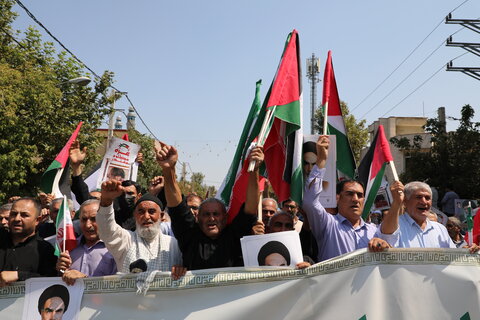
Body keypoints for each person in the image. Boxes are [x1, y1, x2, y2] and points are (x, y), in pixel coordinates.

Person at [155, 142, 259, 270]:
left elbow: (251, 207)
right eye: (206, 214)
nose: (211, 218)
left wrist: (254, 170)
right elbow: (176, 205)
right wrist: (168, 169)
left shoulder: (235, 236)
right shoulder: (190, 236)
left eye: (216, 214)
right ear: (197, 218)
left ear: (225, 218)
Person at [302, 135, 389, 262]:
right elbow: (310, 202)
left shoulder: (374, 231)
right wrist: (320, 161)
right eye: (349, 194)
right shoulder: (327, 224)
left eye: (360, 195)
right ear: (338, 198)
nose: (355, 199)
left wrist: (383, 245)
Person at [96, 181, 184, 279]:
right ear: (135, 215)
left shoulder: (173, 244)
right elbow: (106, 230)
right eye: (141, 212)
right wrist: (106, 201)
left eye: (151, 211)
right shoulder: (126, 240)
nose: (146, 217)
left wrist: (181, 270)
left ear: (161, 216)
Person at [377, 181, 479, 253]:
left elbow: (452, 257)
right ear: (405, 201)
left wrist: (466, 251)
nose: (424, 202)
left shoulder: (440, 229)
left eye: (427, 198)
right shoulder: (395, 225)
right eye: (418, 197)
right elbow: (386, 235)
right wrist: (397, 202)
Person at [56, 199, 117, 285]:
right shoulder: (69, 248)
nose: (88, 225)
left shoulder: (115, 248)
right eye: (84, 219)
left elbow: (118, 286)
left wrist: (85, 280)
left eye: (94, 219)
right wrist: (61, 270)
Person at [0, 198, 57, 286]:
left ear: (37, 220)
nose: (17, 219)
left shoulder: (44, 250)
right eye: (13, 214)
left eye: (24, 215)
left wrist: (20, 275)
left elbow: (51, 280)